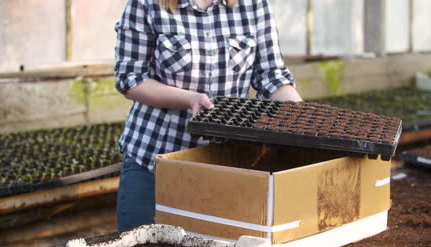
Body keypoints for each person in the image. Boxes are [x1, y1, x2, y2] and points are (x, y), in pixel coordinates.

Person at [114, 0, 303, 232]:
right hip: (155, 162)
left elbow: (272, 77)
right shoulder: (148, 4)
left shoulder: (253, 5)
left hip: (223, 165)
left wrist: (304, 115)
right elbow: (131, 79)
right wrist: (189, 98)